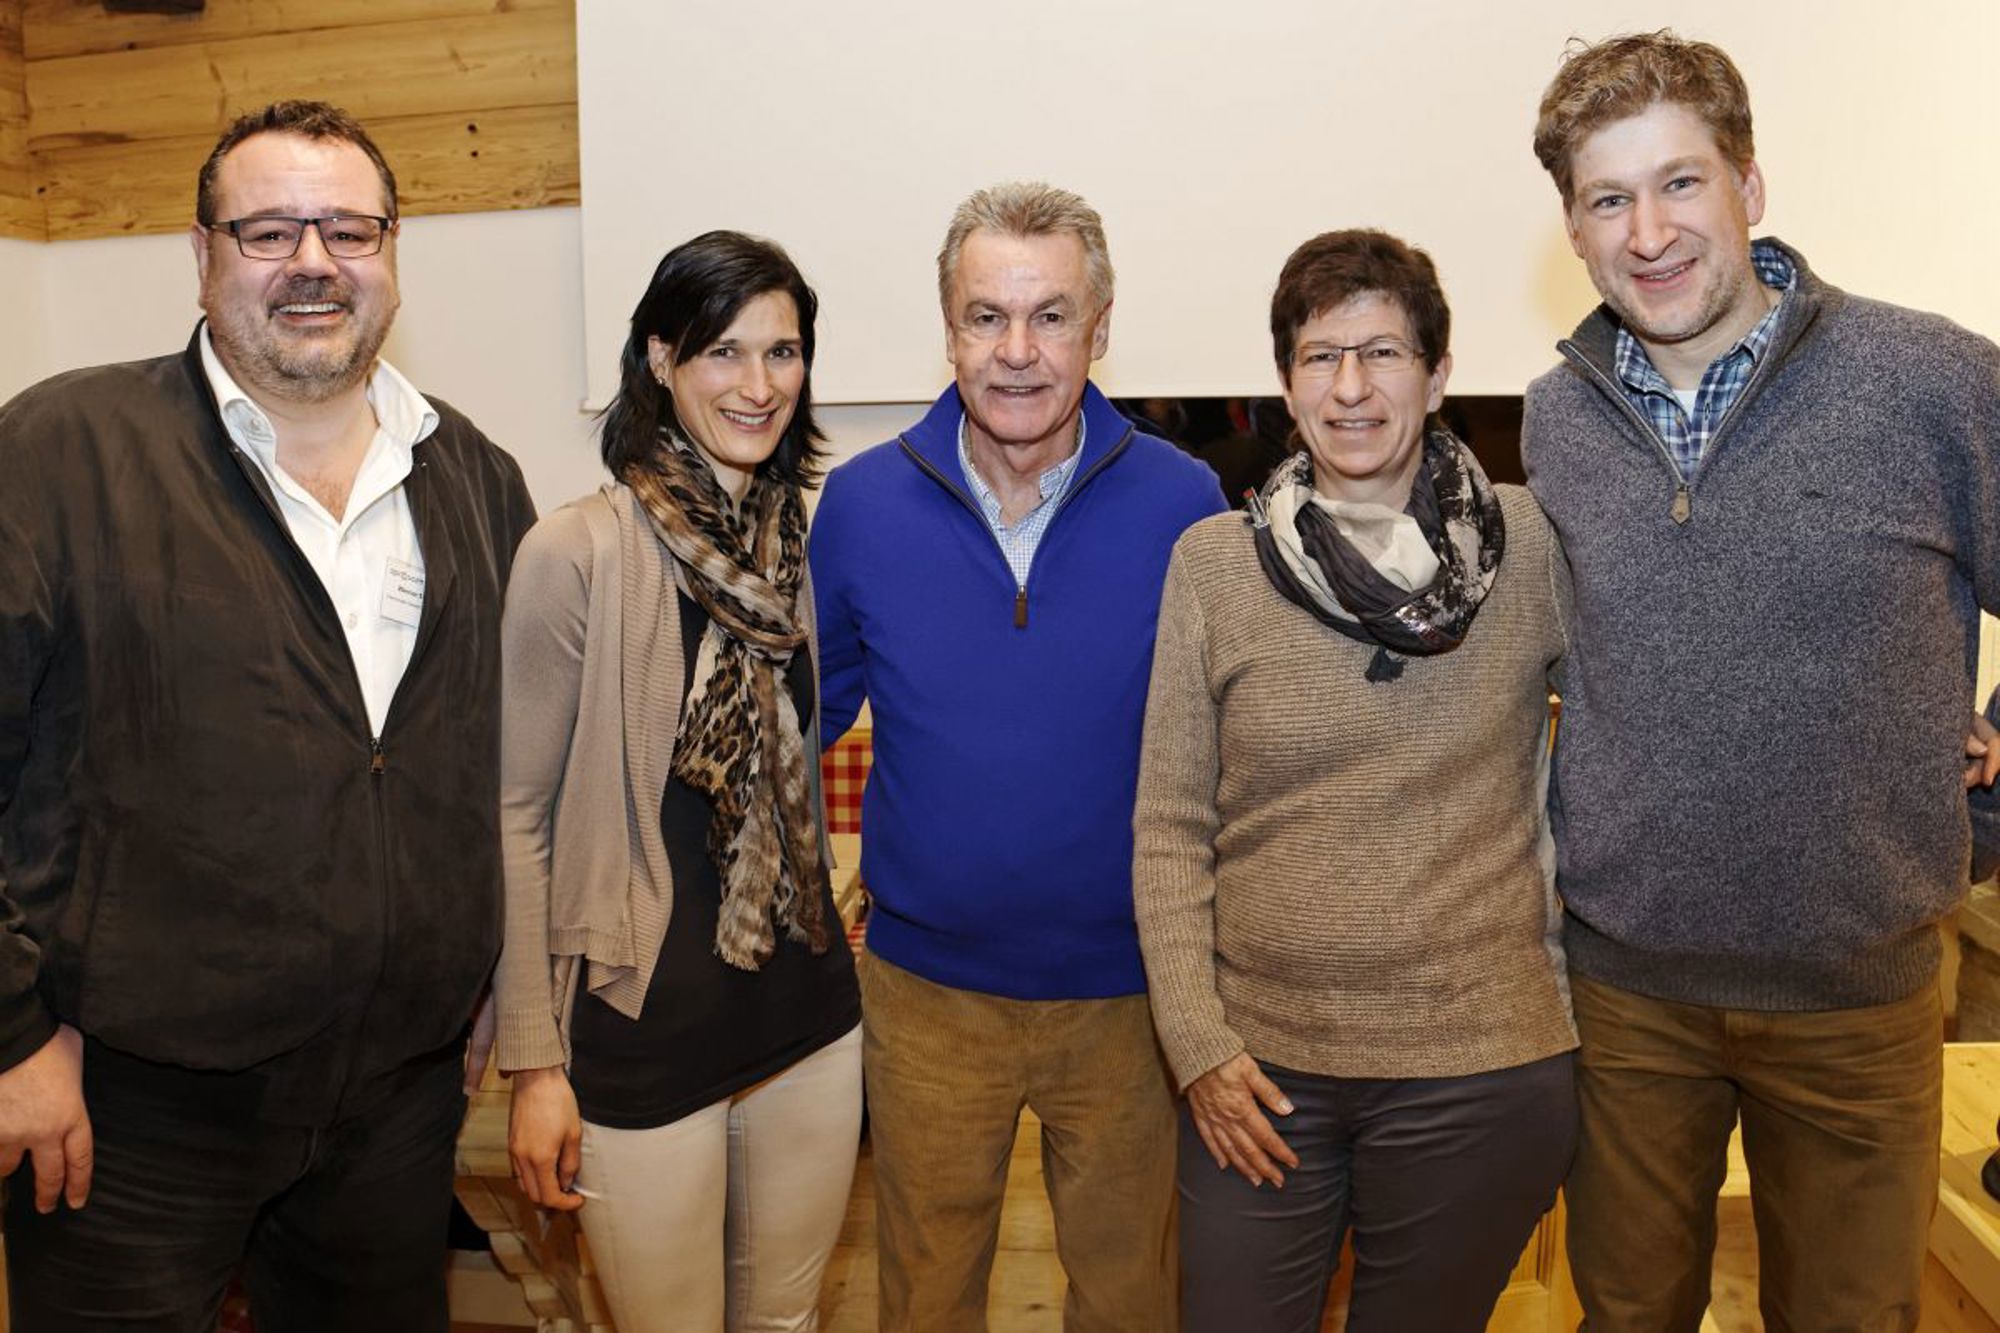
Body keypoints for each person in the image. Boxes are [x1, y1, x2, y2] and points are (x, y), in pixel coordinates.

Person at [0, 100, 537, 1331]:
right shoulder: (58, 453)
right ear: (201, 255)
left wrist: (498, 968)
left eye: (349, 229)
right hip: (128, 1111)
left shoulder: (473, 476)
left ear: (391, 253)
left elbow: (496, 765)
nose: (313, 261)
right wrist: (11, 1036)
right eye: (268, 231)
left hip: (393, 1106)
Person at [1525, 31, 2000, 1331]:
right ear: (1572, 226)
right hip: (1626, 997)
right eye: (1607, 198)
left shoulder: (1933, 382)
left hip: (1860, 995)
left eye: (1679, 182)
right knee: (1624, 1314)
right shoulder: (1556, 418)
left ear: (1748, 182)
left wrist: (1981, 802)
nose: (1648, 232)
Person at [1134, 229, 1577, 1333]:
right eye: (1319, 356)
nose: (1350, 387)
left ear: (1436, 374)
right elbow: (1170, 826)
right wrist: (1198, 1046)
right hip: (1258, 1075)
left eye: (1381, 353)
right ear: (1285, 383)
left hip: (1479, 1066)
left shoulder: (1531, 543)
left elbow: (1651, 713)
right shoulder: (1212, 566)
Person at [809, 181, 1226, 1331]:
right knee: (925, 1297)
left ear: (1100, 328)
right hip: (924, 999)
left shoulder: (1185, 503)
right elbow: (801, 719)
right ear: (947, 330)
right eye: (985, 316)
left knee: (1131, 1299)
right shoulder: (859, 505)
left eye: (1049, 316)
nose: (1016, 351)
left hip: (1130, 996)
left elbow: (1230, 739)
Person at [494, 230, 861, 1333]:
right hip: (643, 1032)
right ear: (660, 358)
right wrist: (533, 1064)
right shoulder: (576, 553)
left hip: (807, 1016)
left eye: (782, 352)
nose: (759, 385)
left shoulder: (790, 550)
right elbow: (517, 818)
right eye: (723, 351)